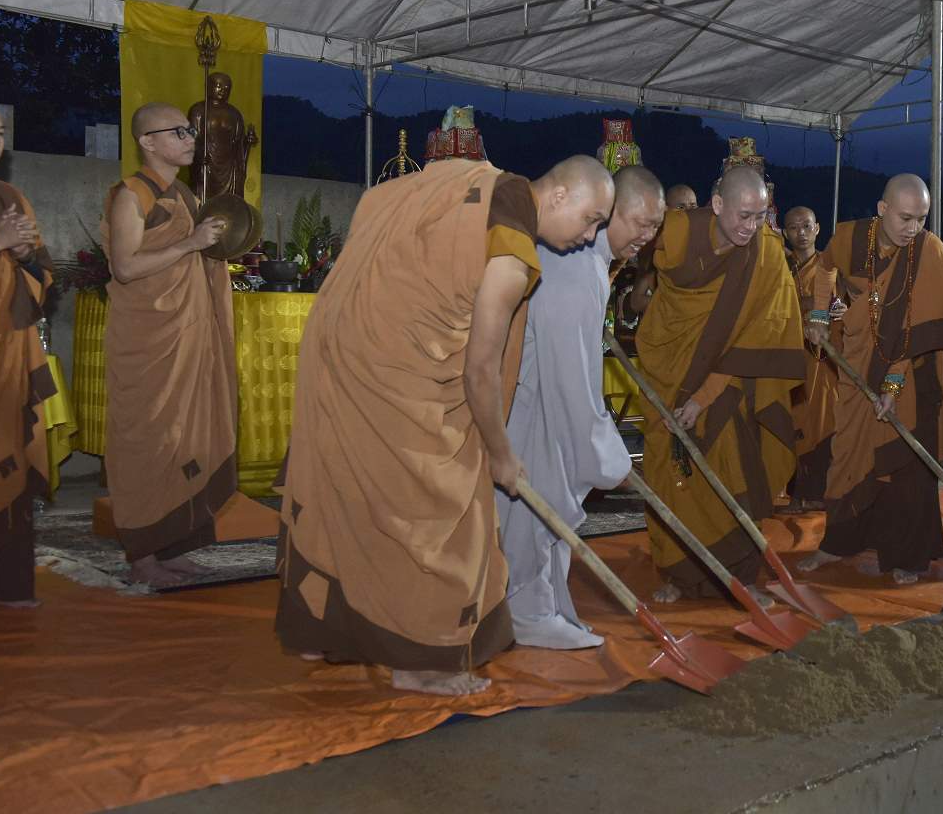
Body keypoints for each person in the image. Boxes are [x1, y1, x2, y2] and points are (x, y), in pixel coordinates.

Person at [274, 155, 614, 697]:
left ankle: (325, 628)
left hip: (340, 334)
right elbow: (479, 371)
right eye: (591, 219)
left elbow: (374, 204)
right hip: (393, 368)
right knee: (441, 510)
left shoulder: (473, 177)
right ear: (558, 196)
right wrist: (500, 454)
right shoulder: (511, 252)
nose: (590, 236)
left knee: (348, 486)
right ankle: (421, 660)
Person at [797, 175, 943, 584]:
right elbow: (825, 269)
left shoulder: (929, 251)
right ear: (882, 209)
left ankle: (908, 555)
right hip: (857, 361)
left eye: (922, 219)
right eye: (905, 218)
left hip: (912, 372)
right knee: (849, 455)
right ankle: (838, 542)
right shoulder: (850, 238)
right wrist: (818, 314)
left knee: (907, 467)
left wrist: (891, 385)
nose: (913, 228)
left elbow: (914, 330)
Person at [499, 165, 666, 649]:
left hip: (547, 398)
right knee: (537, 508)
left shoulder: (592, 262)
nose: (646, 236)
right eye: (640, 222)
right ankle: (528, 612)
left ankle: (544, 607)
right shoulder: (576, 266)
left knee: (548, 512)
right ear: (610, 211)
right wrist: (603, 450)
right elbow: (571, 373)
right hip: (538, 404)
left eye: (655, 227)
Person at [635, 165, 804, 603]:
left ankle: (743, 577)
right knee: (668, 474)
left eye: (761, 215)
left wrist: (703, 397)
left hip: (727, 384)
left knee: (734, 472)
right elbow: (617, 242)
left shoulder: (767, 254)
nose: (752, 226)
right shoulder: (675, 231)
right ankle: (678, 575)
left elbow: (759, 338)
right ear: (716, 204)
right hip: (667, 372)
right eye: (744, 215)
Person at [102, 102, 235, 589]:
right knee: (151, 440)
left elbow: (197, 252)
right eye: (177, 131)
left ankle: (174, 548)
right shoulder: (130, 195)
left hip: (187, 335)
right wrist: (189, 244)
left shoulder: (182, 193)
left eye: (189, 131)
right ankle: (143, 558)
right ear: (147, 142)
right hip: (148, 341)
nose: (189, 138)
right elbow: (125, 267)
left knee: (187, 437)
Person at [0, 95, 52, 612]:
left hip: (4, 351)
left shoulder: (8, 195)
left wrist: (23, 255)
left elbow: (43, 272)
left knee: (8, 460)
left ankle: (8, 583)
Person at [780, 205, 838, 514]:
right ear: (785, 233)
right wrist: (807, 302)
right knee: (793, 423)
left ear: (817, 228)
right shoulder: (780, 268)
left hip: (822, 362)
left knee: (823, 424)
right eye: (794, 227)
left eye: (806, 226)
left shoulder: (829, 267)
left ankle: (818, 494)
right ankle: (794, 495)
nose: (801, 233)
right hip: (790, 358)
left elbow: (838, 306)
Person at [186, 72, 256, 200]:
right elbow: (192, 138)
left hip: (229, 166)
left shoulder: (235, 114)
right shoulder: (198, 110)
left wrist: (247, 141)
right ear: (208, 86)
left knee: (228, 202)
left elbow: (238, 141)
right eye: (218, 86)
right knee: (203, 201)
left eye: (227, 87)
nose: (223, 90)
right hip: (207, 163)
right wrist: (199, 156)